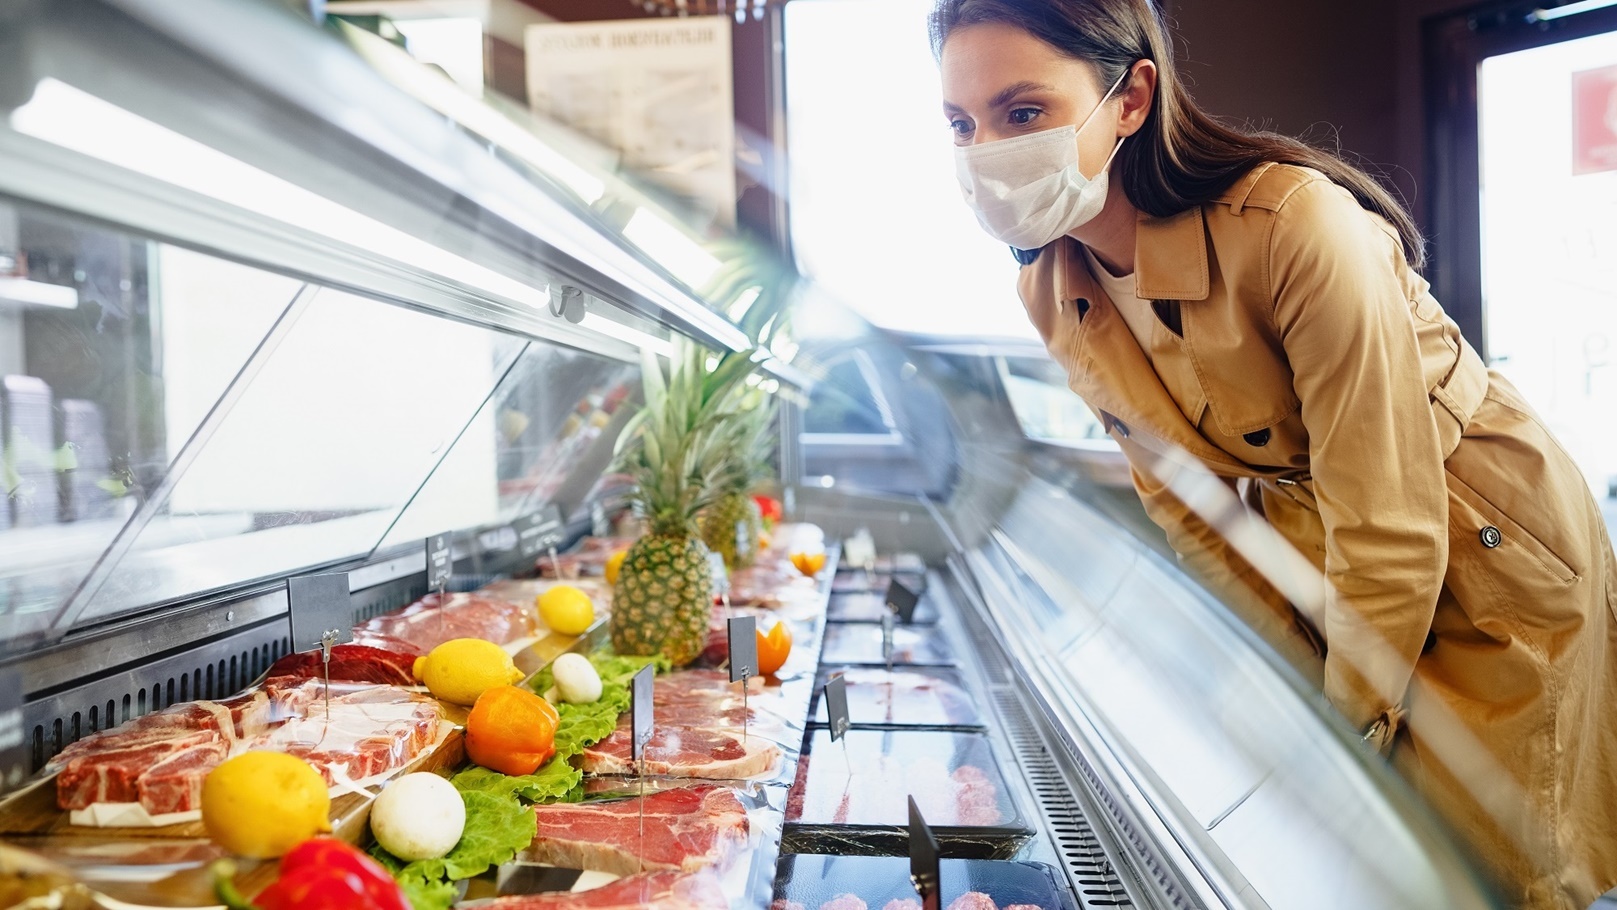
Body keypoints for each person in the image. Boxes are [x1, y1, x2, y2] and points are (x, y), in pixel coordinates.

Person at [932, 1, 1617, 907]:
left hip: (1480, 537)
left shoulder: (1295, 226)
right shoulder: (1051, 285)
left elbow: (1389, 523)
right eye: (960, 123)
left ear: (1131, 96)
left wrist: (1334, 748)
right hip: (1319, 538)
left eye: (1022, 114)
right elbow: (1192, 516)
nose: (986, 151)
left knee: (1487, 874)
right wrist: (1284, 721)